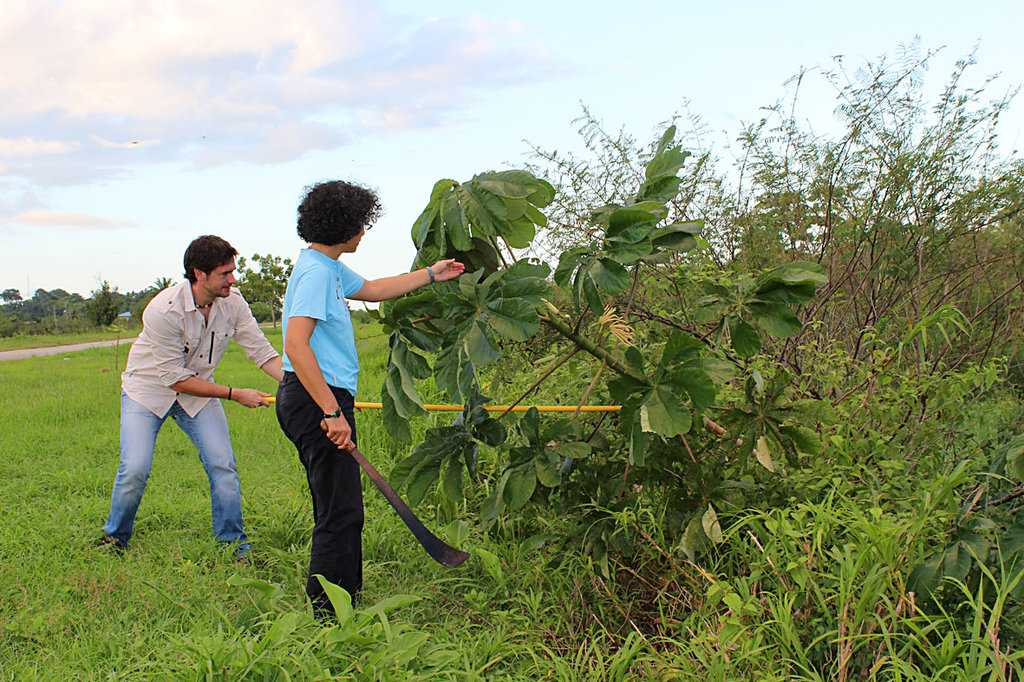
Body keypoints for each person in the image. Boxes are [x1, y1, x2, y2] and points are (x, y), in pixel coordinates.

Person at [275, 180, 463, 614]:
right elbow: (296, 345)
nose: (364, 232)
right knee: (339, 511)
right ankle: (328, 615)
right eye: (361, 224)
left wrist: (432, 273)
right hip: (316, 400)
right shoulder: (316, 273)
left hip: (320, 397)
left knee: (343, 507)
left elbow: (375, 290)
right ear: (345, 226)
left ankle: (344, 602)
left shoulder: (327, 266)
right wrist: (331, 412)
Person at [100, 235, 283, 558]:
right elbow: (174, 378)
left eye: (232, 271)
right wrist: (234, 394)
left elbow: (262, 352)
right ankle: (115, 538)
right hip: (147, 391)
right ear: (199, 274)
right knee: (135, 468)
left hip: (197, 393)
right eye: (225, 273)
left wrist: (301, 386)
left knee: (222, 465)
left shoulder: (234, 302)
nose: (233, 279)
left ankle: (234, 545)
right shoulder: (163, 310)